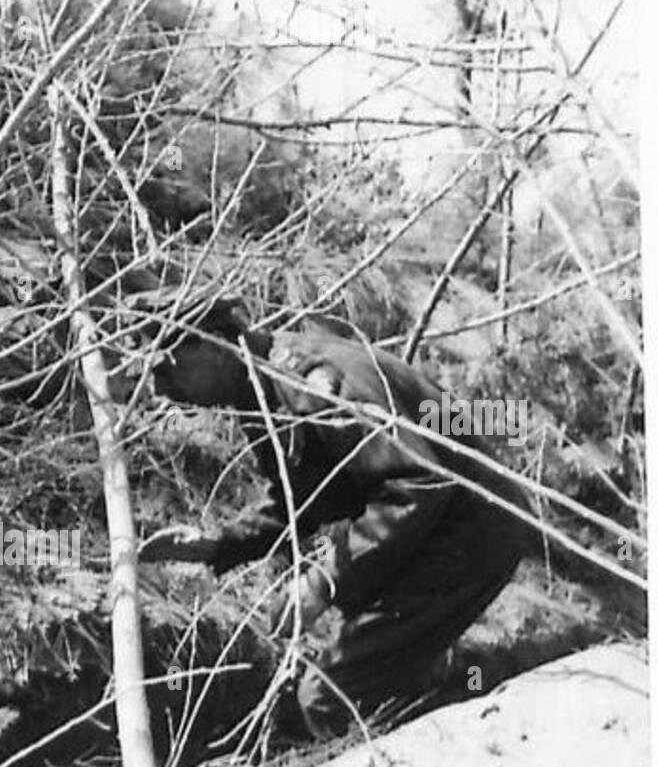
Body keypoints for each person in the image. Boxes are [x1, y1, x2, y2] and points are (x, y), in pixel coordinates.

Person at [140, 305, 532, 738]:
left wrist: (322, 581)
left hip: (472, 528)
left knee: (328, 697)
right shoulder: (263, 385)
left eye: (165, 368)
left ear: (211, 344)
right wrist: (220, 544)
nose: (159, 390)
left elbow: (419, 482)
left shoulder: (313, 385)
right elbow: (308, 495)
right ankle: (457, 692)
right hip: (447, 526)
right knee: (372, 669)